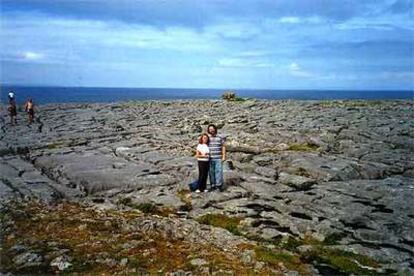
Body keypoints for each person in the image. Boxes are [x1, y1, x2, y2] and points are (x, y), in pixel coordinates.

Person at [207, 124, 226, 191]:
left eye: (212, 129)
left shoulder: (220, 137)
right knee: (211, 172)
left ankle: (219, 186)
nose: (211, 130)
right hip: (210, 158)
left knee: (219, 172)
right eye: (210, 129)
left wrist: (224, 156)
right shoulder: (207, 138)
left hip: (218, 157)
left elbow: (223, 146)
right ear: (208, 130)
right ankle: (212, 185)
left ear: (215, 129)